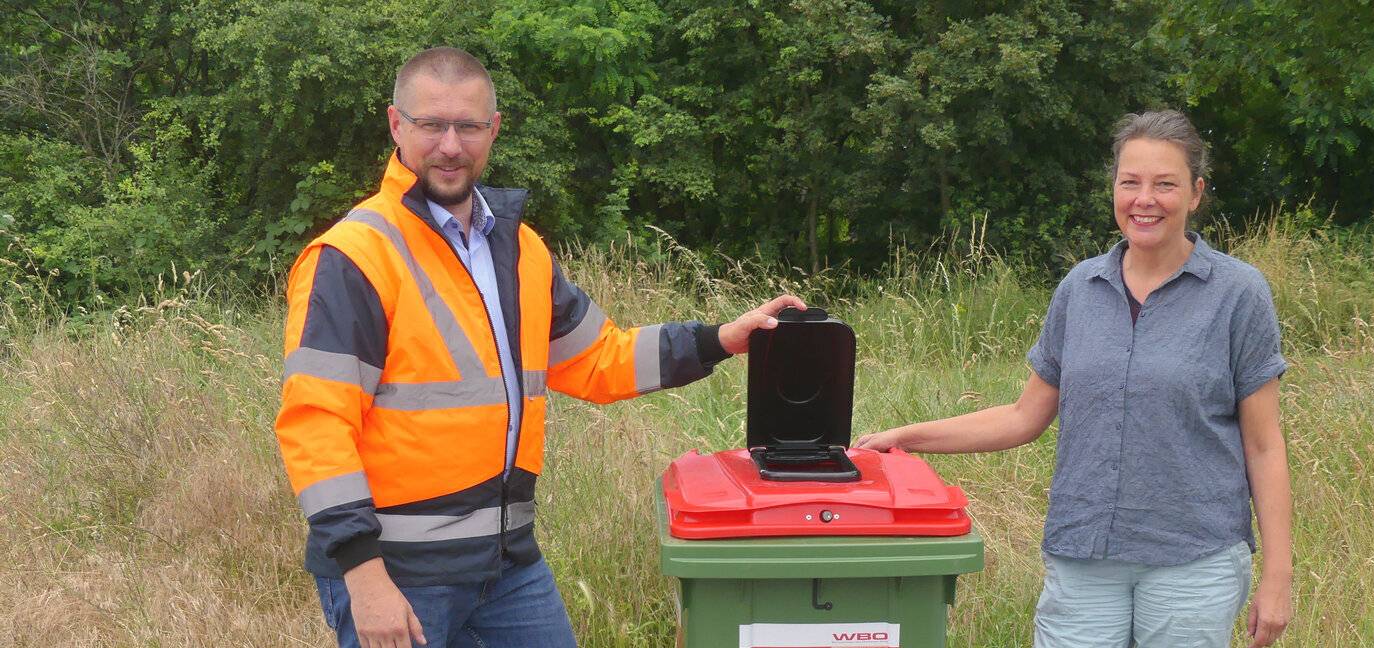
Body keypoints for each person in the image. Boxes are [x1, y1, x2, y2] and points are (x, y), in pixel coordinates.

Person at [275, 46, 804, 648]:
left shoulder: (520, 249)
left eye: (468, 126)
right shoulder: (353, 257)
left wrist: (718, 341)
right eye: (431, 124)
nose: (451, 144)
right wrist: (363, 576)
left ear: (493, 131)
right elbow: (317, 426)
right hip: (400, 574)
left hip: (506, 568)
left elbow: (598, 360)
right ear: (397, 124)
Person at [856, 110, 1293, 648]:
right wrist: (906, 437)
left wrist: (1278, 577)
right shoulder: (1080, 289)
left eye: (1165, 184)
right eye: (1130, 182)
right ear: (1113, 188)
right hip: (1084, 556)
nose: (1144, 199)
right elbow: (1023, 417)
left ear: (1196, 193)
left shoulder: (1238, 293)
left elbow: (1264, 444)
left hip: (1193, 560)